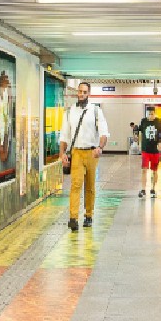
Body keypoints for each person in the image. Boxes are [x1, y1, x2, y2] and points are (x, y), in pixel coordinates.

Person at [60, 82, 110, 231]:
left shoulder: (95, 111)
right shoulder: (70, 112)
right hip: (76, 152)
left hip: (92, 153)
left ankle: (88, 215)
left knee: (90, 186)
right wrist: (62, 153)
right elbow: (64, 135)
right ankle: (73, 218)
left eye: (84, 92)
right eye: (80, 91)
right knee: (75, 185)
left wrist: (100, 147)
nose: (81, 94)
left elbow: (104, 133)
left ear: (89, 93)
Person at [135, 105, 161, 198]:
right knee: (144, 170)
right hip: (145, 150)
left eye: (152, 114)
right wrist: (138, 142)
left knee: (154, 171)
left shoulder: (158, 122)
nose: (150, 116)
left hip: (155, 150)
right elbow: (139, 132)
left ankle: (153, 189)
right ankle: (143, 189)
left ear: (154, 114)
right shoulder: (143, 121)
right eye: (149, 114)